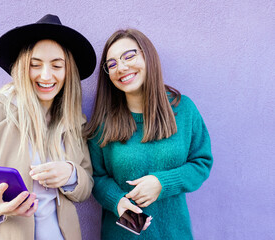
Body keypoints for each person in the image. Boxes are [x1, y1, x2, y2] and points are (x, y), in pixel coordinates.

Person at [0, 14, 96, 240]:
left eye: (57, 65)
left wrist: (71, 174)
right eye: (35, 65)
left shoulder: (75, 122)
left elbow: (87, 182)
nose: (46, 75)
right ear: (22, 67)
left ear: (67, 71)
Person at [84, 28, 213, 239]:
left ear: (147, 56)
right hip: (121, 235)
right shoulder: (104, 122)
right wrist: (117, 201)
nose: (122, 67)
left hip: (173, 234)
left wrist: (163, 183)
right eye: (112, 64)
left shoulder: (184, 110)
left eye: (129, 56)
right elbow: (96, 176)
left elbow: (201, 162)